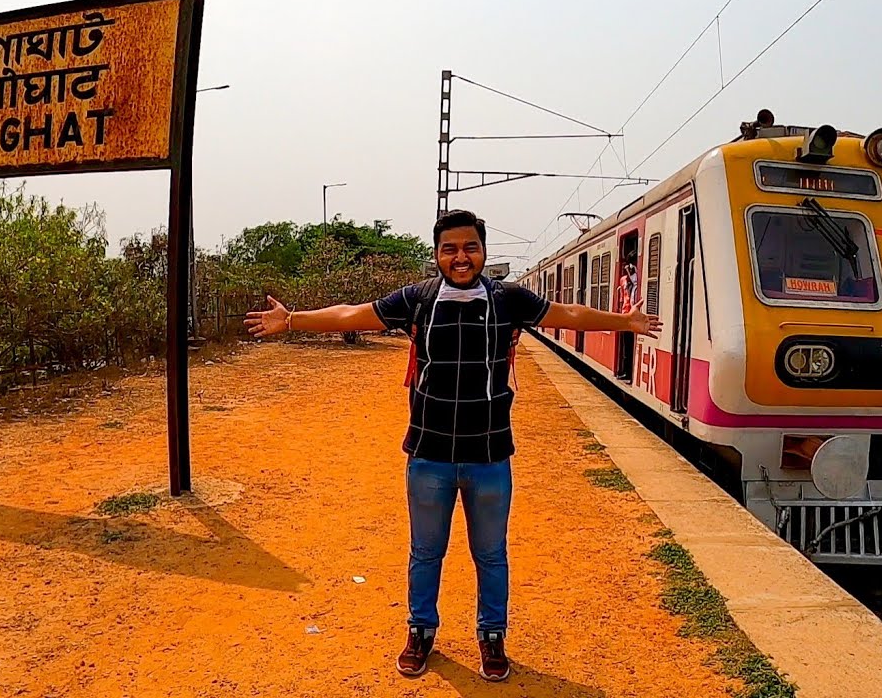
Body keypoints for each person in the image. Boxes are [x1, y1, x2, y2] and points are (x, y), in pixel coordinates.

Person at [244, 209, 661, 682]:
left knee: (491, 555)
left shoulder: (508, 300)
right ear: (437, 254)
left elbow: (566, 313)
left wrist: (624, 322)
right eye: (450, 249)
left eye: (469, 247)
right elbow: (353, 313)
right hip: (429, 456)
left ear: (483, 251)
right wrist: (292, 319)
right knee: (425, 552)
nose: (460, 257)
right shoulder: (417, 300)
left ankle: (492, 636)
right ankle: (420, 631)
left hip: (490, 457)